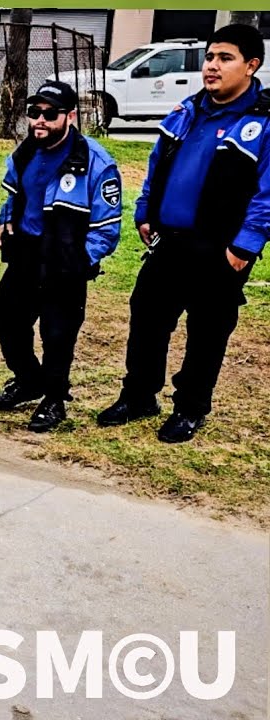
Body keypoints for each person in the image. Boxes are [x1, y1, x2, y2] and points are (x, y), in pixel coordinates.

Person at [98, 24, 269, 443]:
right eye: (210, 58)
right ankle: (139, 396)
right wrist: (143, 214)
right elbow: (156, 166)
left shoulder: (261, 122)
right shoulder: (186, 110)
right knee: (147, 320)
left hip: (220, 249)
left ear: (251, 65)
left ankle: (190, 408)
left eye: (224, 58)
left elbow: (267, 192)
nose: (212, 66)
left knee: (207, 333)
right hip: (168, 243)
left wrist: (244, 246)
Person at [0, 81, 123, 432]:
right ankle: (28, 380)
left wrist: (80, 261)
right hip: (25, 255)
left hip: (65, 261)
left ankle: (54, 399)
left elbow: (108, 228)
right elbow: (14, 196)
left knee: (57, 335)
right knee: (10, 327)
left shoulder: (95, 161)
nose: (40, 121)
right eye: (34, 112)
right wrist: (5, 222)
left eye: (50, 114)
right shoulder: (25, 153)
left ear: (70, 116)